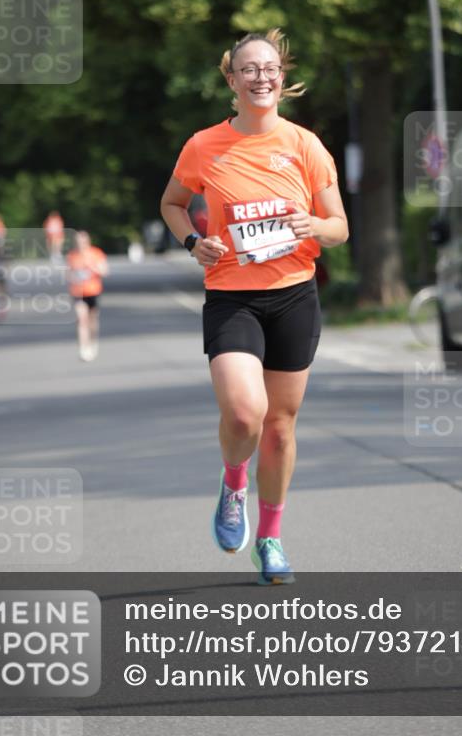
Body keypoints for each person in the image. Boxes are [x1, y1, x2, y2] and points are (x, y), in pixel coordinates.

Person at [160, 29, 349, 584]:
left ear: (282, 76)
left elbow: (339, 227)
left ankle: (270, 539)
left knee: (281, 429)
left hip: (294, 294)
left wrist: (311, 224)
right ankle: (233, 482)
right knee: (245, 414)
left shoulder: (305, 145)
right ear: (231, 79)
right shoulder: (203, 145)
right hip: (231, 296)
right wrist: (194, 242)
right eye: (249, 69)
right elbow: (173, 203)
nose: (261, 77)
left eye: (270, 67)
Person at [66, 230, 109, 361]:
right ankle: (83, 348)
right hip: (78, 292)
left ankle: (93, 341)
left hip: (93, 291)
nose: (80, 243)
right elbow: (68, 274)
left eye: (82, 241)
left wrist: (93, 268)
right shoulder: (72, 256)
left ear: (87, 241)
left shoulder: (96, 253)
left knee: (92, 320)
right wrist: (74, 277)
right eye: (78, 241)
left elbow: (105, 271)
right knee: (81, 319)